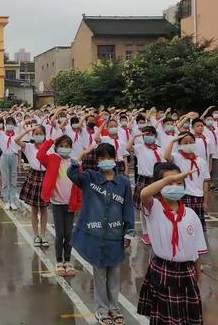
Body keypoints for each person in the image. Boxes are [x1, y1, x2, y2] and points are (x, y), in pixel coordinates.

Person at [68, 143, 134, 325]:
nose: (105, 161)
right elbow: (72, 174)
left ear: (115, 158)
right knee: (100, 274)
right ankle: (102, 310)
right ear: (97, 161)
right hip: (96, 236)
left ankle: (114, 308)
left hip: (115, 236)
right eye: (101, 158)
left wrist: (128, 232)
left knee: (114, 274)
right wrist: (83, 153)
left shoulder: (124, 183)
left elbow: (128, 207)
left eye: (109, 157)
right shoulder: (90, 178)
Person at [137, 162, 206, 325]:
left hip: (187, 271)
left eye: (179, 182)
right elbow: (144, 193)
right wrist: (170, 179)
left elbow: (195, 249)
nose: (174, 186)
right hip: (163, 270)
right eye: (169, 182)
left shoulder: (190, 214)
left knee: (188, 317)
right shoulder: (154, 207)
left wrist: (198, 273)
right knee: (166, 319)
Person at [37, 134, 81, 277]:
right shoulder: (52, 160)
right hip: (57, 203)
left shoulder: (74, 164)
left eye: (67, 146)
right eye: (61, 146)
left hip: (70, 203)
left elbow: (79, 183)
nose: (64, 149)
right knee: (60, 233)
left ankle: (67, 261)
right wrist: (51, 140)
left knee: (69, 234)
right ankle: (58, 261)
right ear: (56, 148)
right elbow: (40, 154)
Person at [164, 133, 210, 230]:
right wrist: (172, 141)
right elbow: (167, 157)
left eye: (191, 142)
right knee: (183, 225)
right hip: (183, 195)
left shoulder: (201, 161)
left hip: (198, 196)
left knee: (198, 226)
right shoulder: (177, 157)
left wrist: (205, 201)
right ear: (180, 145)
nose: (188, 144)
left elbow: (205, 182)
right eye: (185, 142)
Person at [126, 125, 162, 245]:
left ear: (155, 136)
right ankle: (146, 233)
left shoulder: (160, 149)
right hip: (144, 180)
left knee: (156, 207)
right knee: (143, 208)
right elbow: (127, 148)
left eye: (151, 135)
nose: (149, 137)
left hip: (156, 180)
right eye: (146, 134)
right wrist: (135, 136)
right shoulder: (140, 148)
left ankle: (155, 231)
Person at [15, 125, 49, 247]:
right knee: (34, 208)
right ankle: (36, 235)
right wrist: (27, 130)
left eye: (41, 133)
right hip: (34, 176)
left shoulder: (49, 147)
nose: (38, 136)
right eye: (36, 133)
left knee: (44, 208)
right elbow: (16, 140)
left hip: (46, 176)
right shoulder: (28, 147)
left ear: (45, 135)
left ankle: (43, 235)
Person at [0, 115, 20, 210]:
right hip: (4, 157)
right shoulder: (1, 133)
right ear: (5, 124)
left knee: (13, 179)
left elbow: (19, 150)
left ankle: (12, 200)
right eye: (8, 123)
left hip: (14, 157)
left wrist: (19, 163)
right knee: (5, 179)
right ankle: (6, 200)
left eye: (12, 124)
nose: (10, 125)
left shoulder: (17, 135)